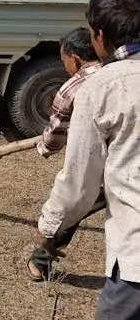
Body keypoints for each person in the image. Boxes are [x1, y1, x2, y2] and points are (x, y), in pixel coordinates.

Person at [37, 0, 140, 319]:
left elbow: (79, 183)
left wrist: (50, 224)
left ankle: (44, 255)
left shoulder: (99, 88)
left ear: (99, 36)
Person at [27, 27, 101, 281]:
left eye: (63, 60)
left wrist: (45, 148)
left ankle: (40, 263)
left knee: (66, 214)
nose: (64, 66)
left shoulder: (72, 87)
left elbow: (57, 131)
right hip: (127, 161)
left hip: (97, 166)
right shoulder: (119, 72)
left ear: (75, 58)